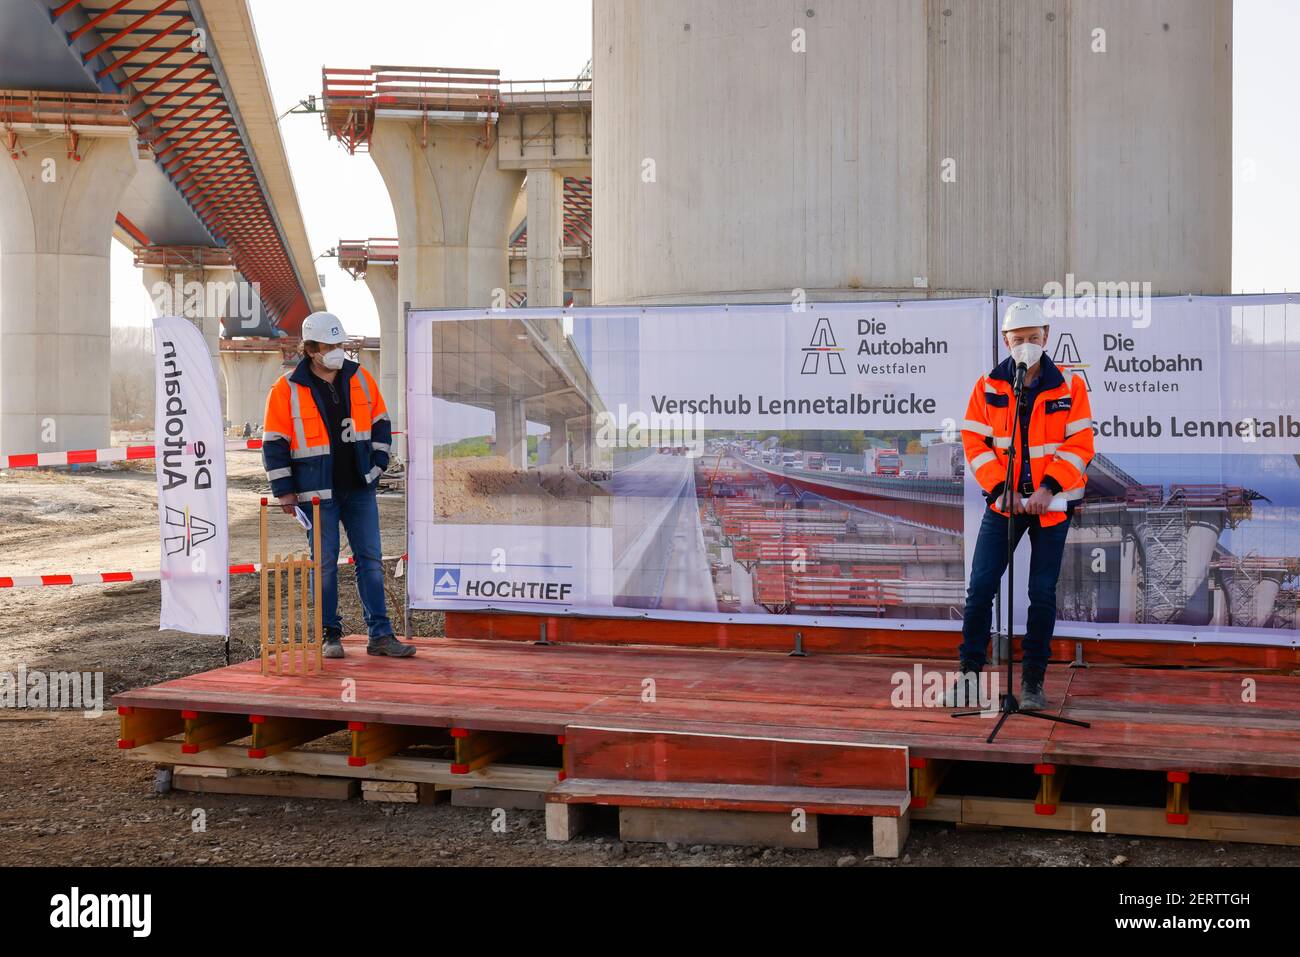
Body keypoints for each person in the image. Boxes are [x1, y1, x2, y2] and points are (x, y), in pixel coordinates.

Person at [947, 301, 1095, 709]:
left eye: (1033, 338)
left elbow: (1080, 444)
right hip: (1004, 506)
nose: (1026, 346)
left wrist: (1049, 487)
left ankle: (1032, 683)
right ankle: (969, 677)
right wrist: (999, 490)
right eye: (1018, 340)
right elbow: (974, 443)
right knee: (979, 590)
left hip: (1051, 505)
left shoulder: (1070, 386)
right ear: (1005, 341)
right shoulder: (989, 386)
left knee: (1042, 594)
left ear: (1046, 336)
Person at [261, 311, 415, 659]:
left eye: (340, 345)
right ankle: (330, 635)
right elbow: (275, 443)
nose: (337, 351)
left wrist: (378, 464)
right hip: (316, 494)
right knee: (325, 565)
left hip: (360, 488)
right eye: (330, 346)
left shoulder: (360, 377)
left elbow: (380, 423)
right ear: (311, 348)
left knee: (371, 561)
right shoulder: (286, 388)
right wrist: (284, 491)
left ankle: (381, 635)